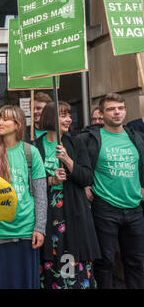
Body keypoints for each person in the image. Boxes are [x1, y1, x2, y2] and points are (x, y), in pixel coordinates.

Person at [0, 105, 47, 289]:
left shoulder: (31, 153)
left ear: (18, 124)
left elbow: (40, 193)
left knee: (27, 282)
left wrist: (40, 227)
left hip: (25, 229)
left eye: (5, 119)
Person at [78, 93, 144, 289]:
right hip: (105, 208)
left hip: (135, 209)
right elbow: (81, 167)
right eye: (111, 109)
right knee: (105, 262)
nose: (117, 112)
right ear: (101, 113)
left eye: (120, 108)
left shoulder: (137, 137)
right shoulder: (89, 139)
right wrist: (85, 185)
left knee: (137, 262)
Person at [35, 101, 101, 289]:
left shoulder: (76, 143)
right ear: (50, 117)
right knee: (52, 255)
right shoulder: (35, 147)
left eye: (69, 115)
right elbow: (30, 183)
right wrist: (51, 180)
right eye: (63, 115)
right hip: (47, 214)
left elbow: (87, 177)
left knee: (70, 253)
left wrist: (67, 160)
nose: (69, 119)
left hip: (73, 212)